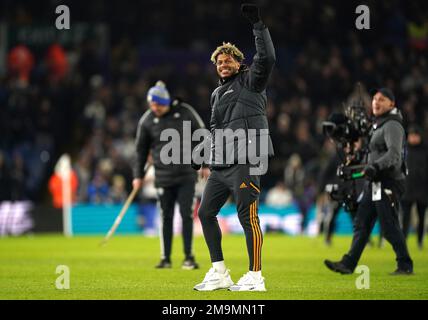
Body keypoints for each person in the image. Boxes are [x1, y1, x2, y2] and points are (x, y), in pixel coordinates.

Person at [193, 4, 275, 291]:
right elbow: (215, 129)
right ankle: (219, 273)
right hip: (222, 164)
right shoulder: (216, 93)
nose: (223, 64)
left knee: (247, 216)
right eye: (219, 62)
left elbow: (267, 57)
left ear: (239, 64)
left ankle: (256, 276)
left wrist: (258, 25)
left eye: (228, 60)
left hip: (247, 158)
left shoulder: (252, 81)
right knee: (205, 213)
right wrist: (204, 155)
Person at [325, 88, 414, 275]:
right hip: (375, 182)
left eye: (382, 99)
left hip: (388, 181)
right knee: (361, 223)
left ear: (392, 104)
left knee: (389, 227)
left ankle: (405, 265)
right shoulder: (379, 124)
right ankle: (348, 263)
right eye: (374, 99)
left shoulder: (392, 125)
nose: (376, 102)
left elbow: (394, 154)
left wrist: (376, 166)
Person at [133, 81, 205, 270]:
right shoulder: (147, 120)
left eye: (158, 104)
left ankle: (189, 257)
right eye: (152, 104)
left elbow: (202, 135)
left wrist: (205, 162)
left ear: (166, 101)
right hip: (163, 177)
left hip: (186, 175)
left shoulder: (185, 112)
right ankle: (165, 258)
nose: (155, 108)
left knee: (186, 215)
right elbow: (140, 151)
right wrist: (137, 176)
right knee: (166, 216)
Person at [401, 124, 428, 249]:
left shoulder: (425, 150)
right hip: (407, 189)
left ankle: (420, 240)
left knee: (421, 217)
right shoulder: (404, 150)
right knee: (405, 218)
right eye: (411, 135)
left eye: (415, 135)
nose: (413, 138)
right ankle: (403, 240)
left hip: (423, 190)